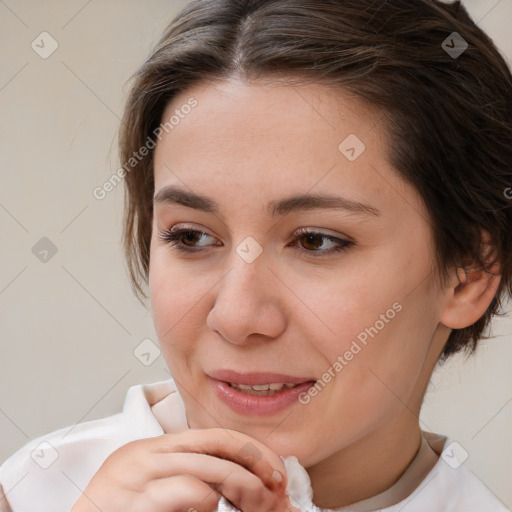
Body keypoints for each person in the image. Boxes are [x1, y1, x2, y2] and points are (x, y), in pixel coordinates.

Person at [1, 0, 512, 510]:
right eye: (191, 237)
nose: (237, 316)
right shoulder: (33, 491)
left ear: (469, 275)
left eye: (316, 240)